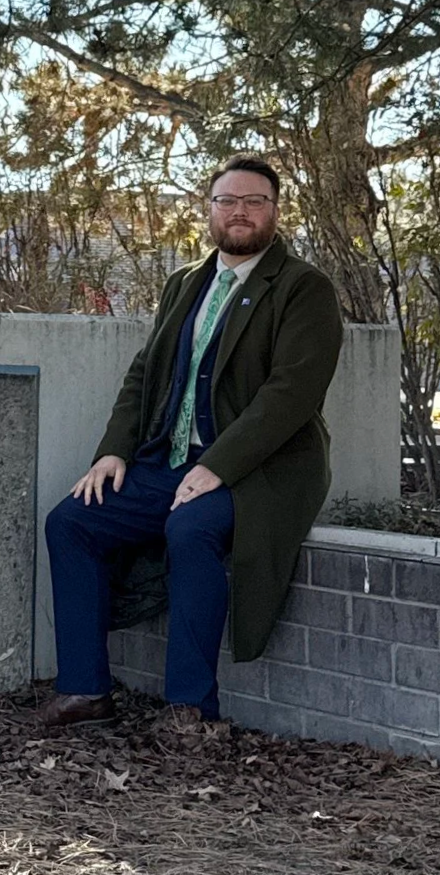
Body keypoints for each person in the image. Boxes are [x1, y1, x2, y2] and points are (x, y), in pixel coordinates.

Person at [36, 153, 344, 732]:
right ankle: (84, 691)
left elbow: (291, 394)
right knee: (73, 521)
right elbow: (143, 373)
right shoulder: (185, 282)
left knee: (191, 527)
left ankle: (190, 712)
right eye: (228, 201)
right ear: (210, 210)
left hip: (262, 469)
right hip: (170, 461)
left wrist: (220, 466)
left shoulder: (304, 288)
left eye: (255, 201)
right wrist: (113, 451)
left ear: (275, 212)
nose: (241, 212)